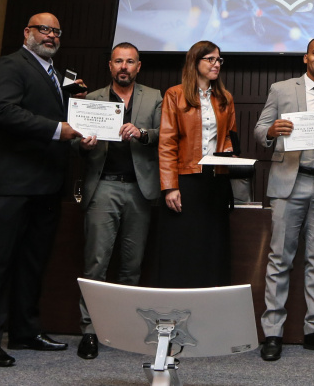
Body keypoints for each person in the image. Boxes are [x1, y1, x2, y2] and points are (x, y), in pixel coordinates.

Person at [0, 12, 85, 367]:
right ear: (27, 32)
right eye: (43, 29)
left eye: (56, 31)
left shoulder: (55, 74)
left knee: (32, 263)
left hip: (46, 185)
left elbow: (65, 124)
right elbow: (2, 111)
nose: (50, 36)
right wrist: (57, 130)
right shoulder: (7, 66)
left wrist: (80, 137)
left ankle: (24, 330)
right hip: (10, 184)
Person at [255, 37, 314, 362]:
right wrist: (271, 132)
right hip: (290, 182)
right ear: (305, 58)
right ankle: (272, 332)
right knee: (280, 259)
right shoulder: (281, 89)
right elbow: (259, 131)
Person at [75, 42, 162, 359]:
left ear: (139, 66)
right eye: (118, 61)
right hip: (104, 187)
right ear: (109, 65)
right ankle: (90, 331)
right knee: (95, 264)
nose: (124, 66)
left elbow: (165, 133)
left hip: (139, 190)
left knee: (131, 266)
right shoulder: (92, 100)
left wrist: (141, 133)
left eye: (130, 62)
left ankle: (125, 331)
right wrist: (83, 144)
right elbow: (75, 146)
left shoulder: (154, 97)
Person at [157, 40, 235, 288]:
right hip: (186, 181)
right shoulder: (175, 94)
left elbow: (229, 137)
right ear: (195, 62)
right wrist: (170, 186)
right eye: (210, 59)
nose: (216, 64)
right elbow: (167, 142)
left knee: (212, 247)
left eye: (219, 60)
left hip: (217, 181)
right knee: (184, 247)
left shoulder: (225, 97)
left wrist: (231, 153)